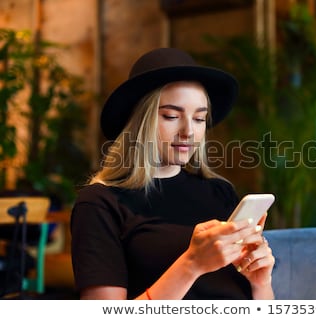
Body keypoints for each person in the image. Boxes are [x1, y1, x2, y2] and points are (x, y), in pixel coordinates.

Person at [70, 48, 275, 300]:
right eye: (171, 116)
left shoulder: (220, 192)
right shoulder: (100, 203)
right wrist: (191, 264)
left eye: (199, 119)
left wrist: (261, 283)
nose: (188, 131)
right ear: (139, 122)